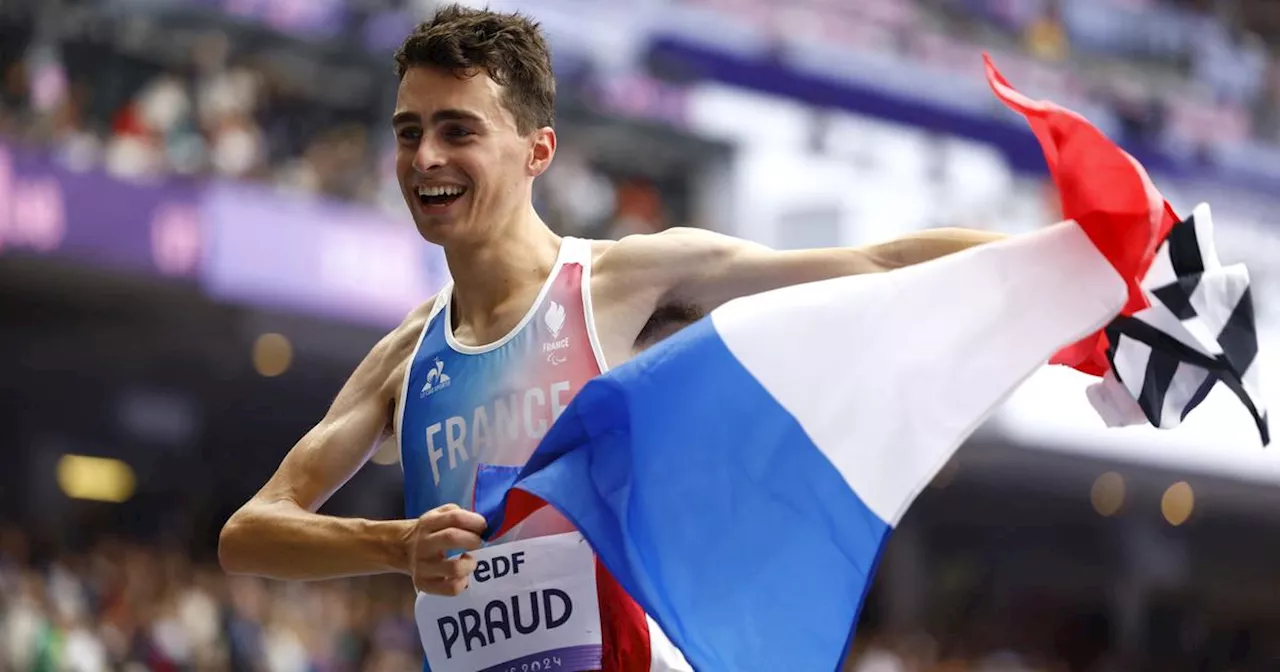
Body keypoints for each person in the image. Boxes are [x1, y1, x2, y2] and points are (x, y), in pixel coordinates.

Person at [217, 4, 1004, 670]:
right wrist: (394, 546)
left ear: (538, 151)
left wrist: (1090, 260)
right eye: (409, 131)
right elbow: (250, 534)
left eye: (458, 131)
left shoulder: (624, 284)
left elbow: (876, 260)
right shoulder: (406, 355)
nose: (425, 157)